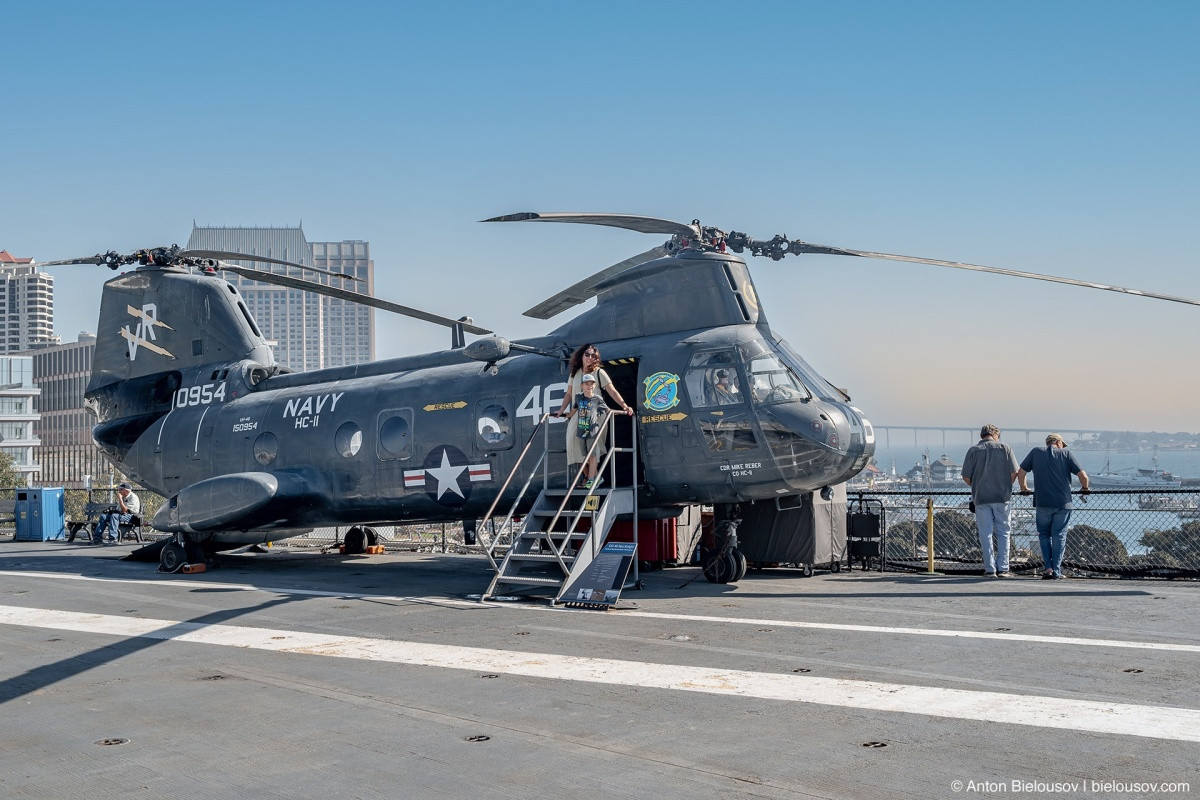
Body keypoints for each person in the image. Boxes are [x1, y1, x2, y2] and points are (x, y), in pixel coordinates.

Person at [555, 344, 634, 487]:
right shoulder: (575, 373)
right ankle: (592, 476)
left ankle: (591, 479)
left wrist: (624, 405)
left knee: (593, 446)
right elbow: (569, 394)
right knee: (573, 446)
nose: (590, 358)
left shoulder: (598, 373)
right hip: (577, 413)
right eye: (587, 354)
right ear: (581, 355)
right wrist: (561, 410)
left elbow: (612, 391)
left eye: (594, 356)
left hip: (594, 414)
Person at [1017, 434, 1090, 579]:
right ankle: (1056, 570)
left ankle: (1048, 568)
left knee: (1044, 535)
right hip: (1063, 503)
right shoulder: (1066, 453)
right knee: (1059, 536)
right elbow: (1083, 476)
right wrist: (1085, 488)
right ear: (1058, 442)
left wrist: (1024, 488)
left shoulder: (1036, 452)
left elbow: (1021, 472)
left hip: (1042, 502)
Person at [961, 424, 1020, 577]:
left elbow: (966, 476)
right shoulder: (1005, 448)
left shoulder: (973, 451)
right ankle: (1003, 568)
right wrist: (1006, 485)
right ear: (995, 434)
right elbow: (1015, 472)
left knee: (985, 534)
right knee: (1004, 532)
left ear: (982, 435)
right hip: (1002, 497)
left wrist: (977, 486)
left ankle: (990, 569)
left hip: (981, 498)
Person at [562, 373, 609, 488]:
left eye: (591, 384)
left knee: (592, 456)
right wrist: (566, 415)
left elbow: (606, 410)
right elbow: (574, 409)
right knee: (585, 456)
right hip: (581, 431)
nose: (589, 386)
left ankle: (591, 480)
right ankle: (598, 478)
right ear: (582, 385)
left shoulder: (597, 399)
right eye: (586, 384)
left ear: (594, 385)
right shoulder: (578, 397)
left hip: (592, 431)